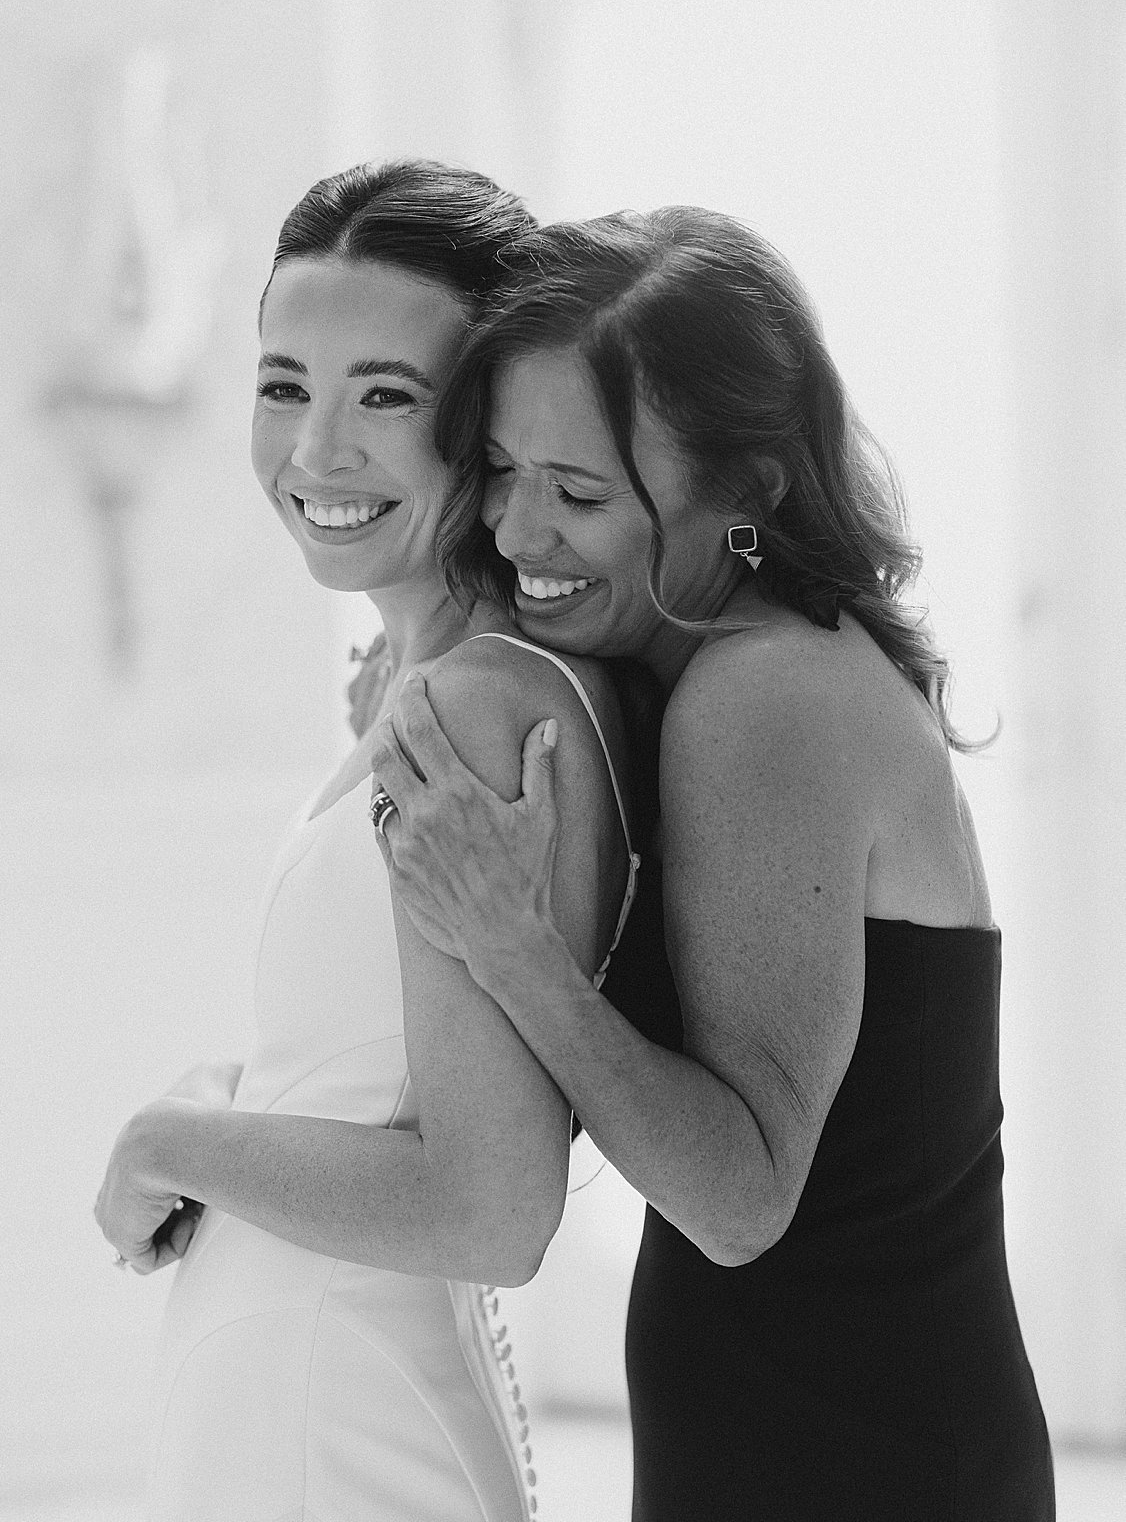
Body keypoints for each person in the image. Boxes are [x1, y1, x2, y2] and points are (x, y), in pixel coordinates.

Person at [364, 207, 1056, 1520]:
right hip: (812, 1440)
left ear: (749, 496)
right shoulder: (714, 665)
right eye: (501, 470)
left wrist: (509, 944)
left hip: (857, 1466)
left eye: (578, 494)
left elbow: (740, 1201)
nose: (515, 531)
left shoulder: (765, 694)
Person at [94, 161, 639, 1522]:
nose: (316, 450)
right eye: (284, 385)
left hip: (334, 1427)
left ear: (489, 419)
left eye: (385, 396)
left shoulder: (473, 711)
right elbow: (373, 1074)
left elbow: (489, 1205)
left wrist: (171, 1142)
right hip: (301, 1408)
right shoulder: (433, 690)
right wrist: (229, 1095)